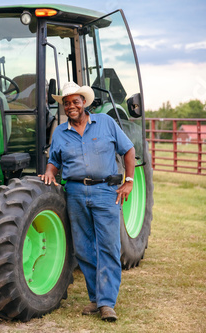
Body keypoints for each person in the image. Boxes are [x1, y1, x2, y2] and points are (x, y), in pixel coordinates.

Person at [40, 81, 135, 322]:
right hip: (75, 193)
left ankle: (106, 303)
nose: (71, 106)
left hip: (106, 191)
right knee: (83, 248)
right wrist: (50, 171)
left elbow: (129, 149)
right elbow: (54, 160)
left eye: (75, 101)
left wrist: (130, 180)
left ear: (84, 102)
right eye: (66, 103)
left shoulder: (106, 123)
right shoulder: (61, 132)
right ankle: (95, 298)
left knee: (108, 247)